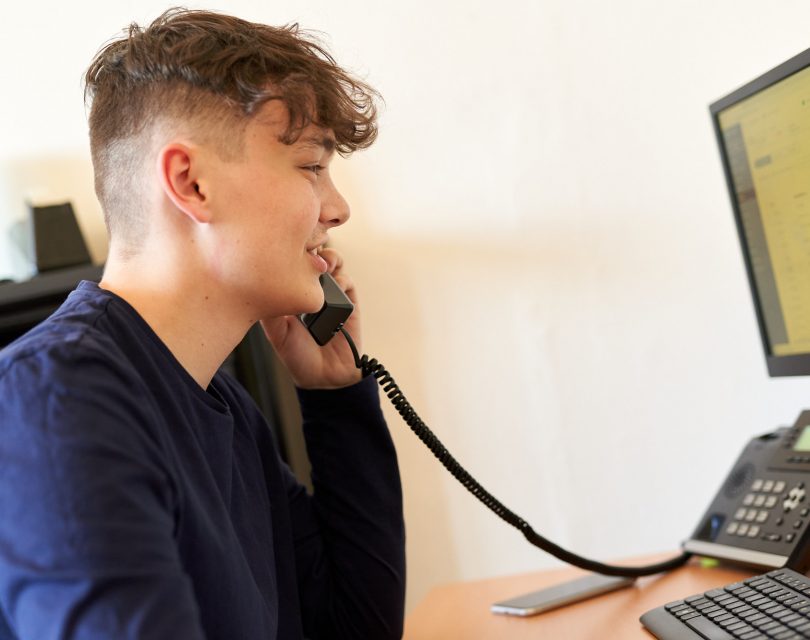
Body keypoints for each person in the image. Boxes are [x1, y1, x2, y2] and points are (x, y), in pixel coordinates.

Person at [0, 8, 405, 640]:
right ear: (190, 183)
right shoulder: (56, 400)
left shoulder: (223, 407)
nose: (337, 208)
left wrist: (336, 397)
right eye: (310, 165)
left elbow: (352, 627)